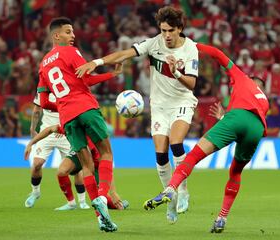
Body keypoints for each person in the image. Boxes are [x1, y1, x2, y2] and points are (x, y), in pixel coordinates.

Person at [76, 6, 199, 223]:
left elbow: (191, 84)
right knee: (161, 154)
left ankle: (183, 192)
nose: (167, 35)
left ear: (180, 29)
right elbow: (125, 54)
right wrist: (97, 62)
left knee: (176, 144)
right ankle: (169, 198)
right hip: (159, 106)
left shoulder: (190, 49)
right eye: (163, 31)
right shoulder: (154, 43)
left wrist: (176, 72)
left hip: (182, 101)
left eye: (171, 30)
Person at [142, 43, 269, 233]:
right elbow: (249, 122)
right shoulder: (264, 100)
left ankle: (170, 189)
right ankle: (221, 219)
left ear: (250, 78)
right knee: (235, 173)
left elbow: (218, 54)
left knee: (192, 157)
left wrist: (192, 44)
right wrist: (226, 118)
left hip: (236, 118)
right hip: (256, 128)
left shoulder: (242, 77)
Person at [36, 17, 122, 232]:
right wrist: (113, 74)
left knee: (86, 167)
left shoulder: (43, 65)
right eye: (68, 32)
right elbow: (88, 79)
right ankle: (103, 196)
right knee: (106, 154)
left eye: (72, 32)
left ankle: (102, 219)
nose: (72, 35)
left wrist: (64, 106)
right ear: (57, 36)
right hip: (85, 108)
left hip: (66, 117)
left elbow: (45, 102)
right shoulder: (70, 52)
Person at [24, 124, 130, 215]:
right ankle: (71, 203)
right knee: (61, 172)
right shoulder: (70, 126)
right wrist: (31, 143)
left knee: (102, 198)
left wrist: (113, 192)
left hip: (95, 160)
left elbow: (105, 165)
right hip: (78, 152)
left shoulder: (91, 136)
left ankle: (120, 204)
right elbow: (49, 129)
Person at [24, 93, 90, 210]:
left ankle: (82, 201)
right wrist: (33, 128)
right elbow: (36, 110)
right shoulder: (42, 91)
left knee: (75, 169)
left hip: (65, 133)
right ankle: (35, 192)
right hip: (47, 132)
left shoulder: (67, 90)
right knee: (37, 164)